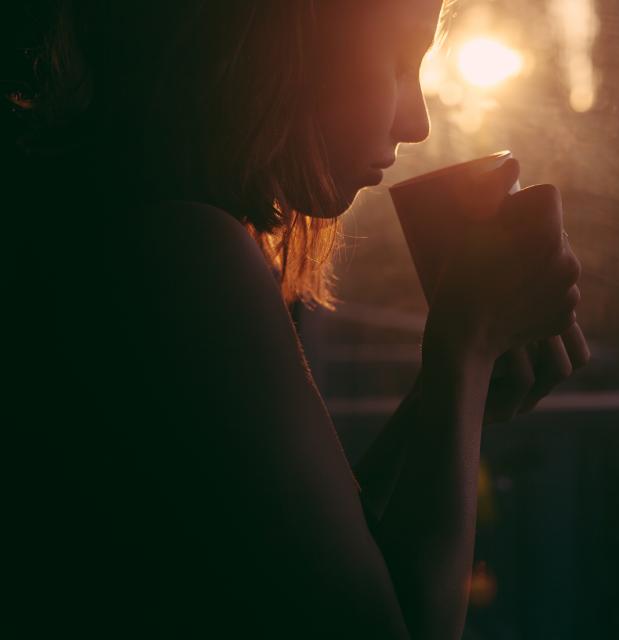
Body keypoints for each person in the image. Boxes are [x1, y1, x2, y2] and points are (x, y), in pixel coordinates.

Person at [6, 1, 586, 637]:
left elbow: (314, 568)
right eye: (398, 60)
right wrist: (466, 350)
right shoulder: (182, 251)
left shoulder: (113, 215)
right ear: (281, 39)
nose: (417, 122)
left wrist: (437, 400)